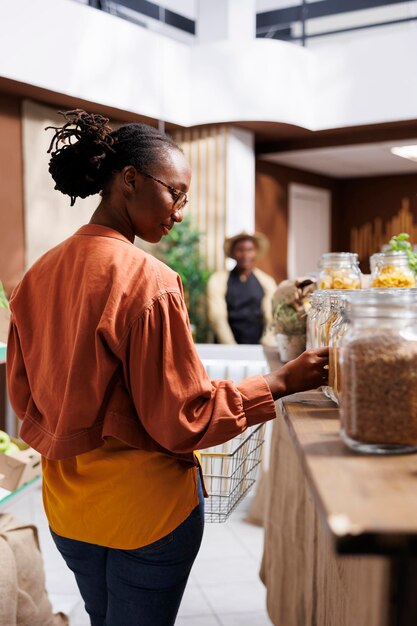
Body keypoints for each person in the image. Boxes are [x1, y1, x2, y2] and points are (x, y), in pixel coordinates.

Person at [6, 110, 328, 626]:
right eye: (174, 193)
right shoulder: (148, 281)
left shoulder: (36, 276)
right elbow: (181, 420)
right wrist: (280, 382)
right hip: (147, 513)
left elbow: (25, 400)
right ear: (129, 180)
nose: (179, 211)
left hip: (67, 510)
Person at [207, 232, 276, 344]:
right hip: (226, 346)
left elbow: (271, 318)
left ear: (255, 252)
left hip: (258, 346)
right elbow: (217, 318)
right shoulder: (218, 280)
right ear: (233, 253)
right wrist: (230, 346)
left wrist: (266, 343)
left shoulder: (267, 282)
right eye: (240, 250)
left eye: (250, 250)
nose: (245, 255)